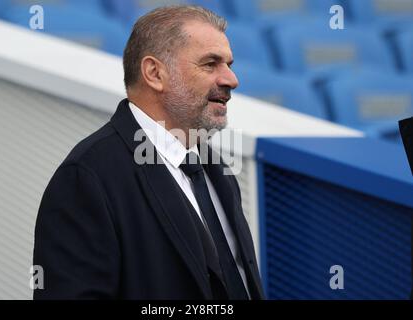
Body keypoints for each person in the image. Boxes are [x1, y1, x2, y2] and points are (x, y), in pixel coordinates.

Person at [33, 5, 264, 300]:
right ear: (155, 73)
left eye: (229, 64)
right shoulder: (87, 178)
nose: (231, 80)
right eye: (210, 64)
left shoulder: (216, 168)